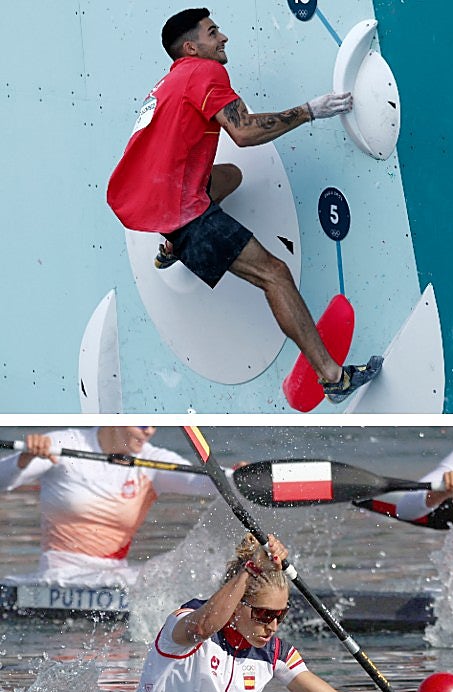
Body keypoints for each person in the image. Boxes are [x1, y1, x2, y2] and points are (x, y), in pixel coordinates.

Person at [106, 9, 381, 403]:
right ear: (191, 47)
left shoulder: (170, 81)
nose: (224, 38)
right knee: (275, 275)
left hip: (156, 199)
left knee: (230, 176)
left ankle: (169, 246)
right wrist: (308, 111)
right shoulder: (205, 73)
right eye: (213, 32)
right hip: (183, 213)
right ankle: (334, 378)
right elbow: (245, 132)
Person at [118, 532, 434, 692]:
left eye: (280, 615)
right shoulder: (184, 627)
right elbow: (205, 626)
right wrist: (250, 571)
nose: (272, 626)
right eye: (263, 614)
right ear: (237, 605)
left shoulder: (274, 653)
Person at [0, 427, 219, 586]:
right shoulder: (66, 443)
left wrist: (240, 479)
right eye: (142, 425)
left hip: (115, 574)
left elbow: (203, 483)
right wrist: (25, 457)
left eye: (154, 425)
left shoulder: (153, 460)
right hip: (59, 571)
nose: (149, 431)